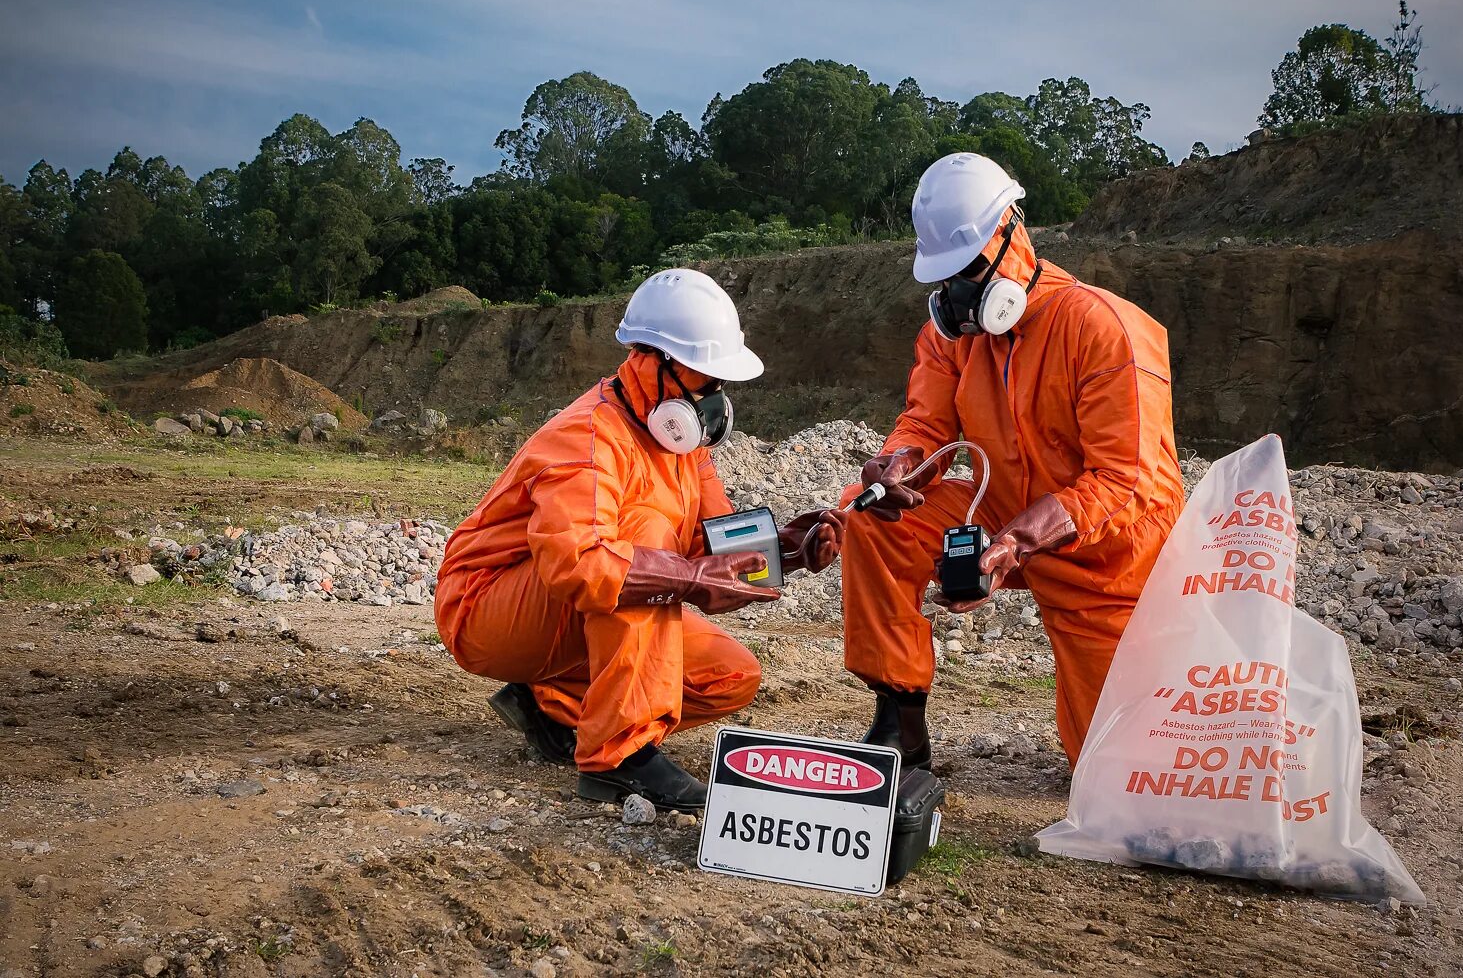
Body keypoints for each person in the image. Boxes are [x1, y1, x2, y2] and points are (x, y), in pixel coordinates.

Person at [436, 268, 845, 811]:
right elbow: (579, 562)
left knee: (730, 676)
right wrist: (691, 577)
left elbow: (712, 549)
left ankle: (553, 707)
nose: (715, 398)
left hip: (573, 607)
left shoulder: (683, 448)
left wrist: (786, 550)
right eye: (705, 379)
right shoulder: (585, 437)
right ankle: (618, 758)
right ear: (652, 365)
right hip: (487, 610)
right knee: (642, 540)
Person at [843, 153, 1185, 770]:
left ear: (1012, 235)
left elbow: (1123, 480)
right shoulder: (954, 337)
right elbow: (925, 424)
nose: (957, 294)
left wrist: (1016, 542)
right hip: (1004, 507)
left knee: (1118, 773)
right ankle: (900, 727)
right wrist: (896, 464)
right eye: (943, 280)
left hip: (1108, 552)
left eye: (968, 271)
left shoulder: (1105, 329)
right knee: (871, 518)